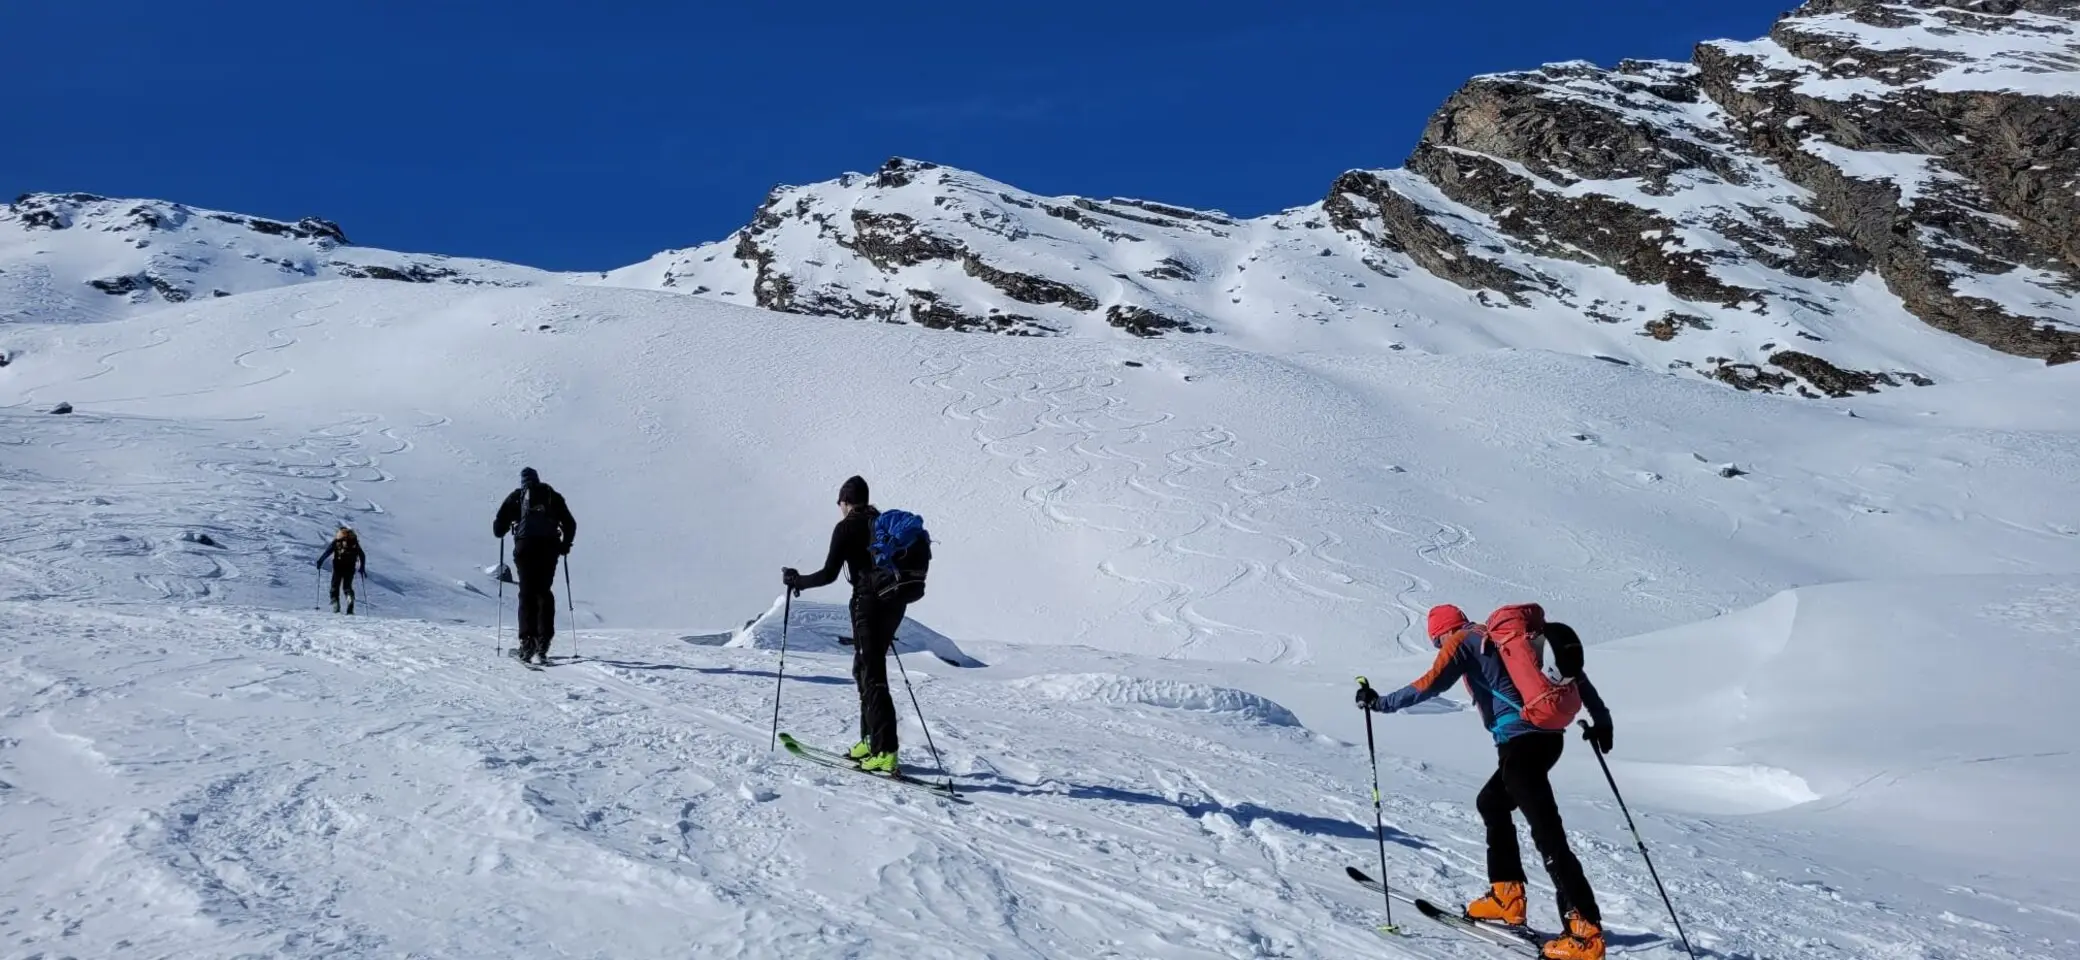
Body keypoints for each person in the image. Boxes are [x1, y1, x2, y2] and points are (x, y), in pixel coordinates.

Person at [1357, 605, 1615, 960]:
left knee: (1548, 834)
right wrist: (1602, 720)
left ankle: (1585, 932)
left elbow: (1431, 682)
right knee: (1491, 802)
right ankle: (1507, 897)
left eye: (1437, 642)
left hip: (1521, 746)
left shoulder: (1462, 642)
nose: (1440, 648)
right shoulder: (1505, 639)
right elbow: (1578, 677)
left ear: (1441, 633)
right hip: (1546, 741)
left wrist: (1380, 703)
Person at [781, 475, 904, 775]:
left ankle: (885, 751)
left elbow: (829, 574)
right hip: (894, 603)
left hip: (868, 603)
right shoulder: (881, 522)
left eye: (840, 502)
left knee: (872, 674)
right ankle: (870, 739)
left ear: (846, 502)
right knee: (864, 668)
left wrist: (797, 582)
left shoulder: (847, 527)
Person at [492, 467, 576, 665]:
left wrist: (507, 526)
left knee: (527, 593)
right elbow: (570, 523)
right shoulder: (552, 496)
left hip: (525, 547)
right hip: (549, 548)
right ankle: (543, 642)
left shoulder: (516, 497)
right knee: (544, 592)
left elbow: (498, 529)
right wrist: (565, 545)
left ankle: (527, 641)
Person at [314, 525, 366, 614]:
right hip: (350, 567)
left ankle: (336, 605)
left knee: (335, 586)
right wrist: (362, 567)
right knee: (347, 586)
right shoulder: (354, 542)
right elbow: (362, 555)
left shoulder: (337, 541)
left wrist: (320, 561)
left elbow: (327, 552)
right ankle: (350, 599)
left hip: (338, 566)